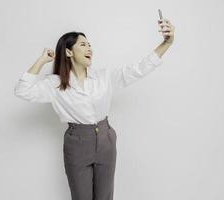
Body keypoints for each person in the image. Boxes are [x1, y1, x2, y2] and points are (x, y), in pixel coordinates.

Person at [14, 18, 175, 200]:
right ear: (69, 52)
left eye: (89, 45)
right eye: (83, 45)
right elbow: (22, 90)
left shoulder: (104, 77)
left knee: (104, 197)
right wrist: (42, 60)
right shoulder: (55, 84)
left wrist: (166, 43)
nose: (89, 48)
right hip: (77, 143)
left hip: (106, 139)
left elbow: (138, 70)